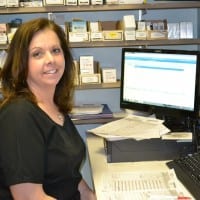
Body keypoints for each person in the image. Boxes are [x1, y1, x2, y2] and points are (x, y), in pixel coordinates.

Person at [0, 18, 97, 200]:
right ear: (21, 63)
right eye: (37, 54)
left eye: (55, 50)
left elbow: (68, 174)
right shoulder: (19, 116)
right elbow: (29, 198)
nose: (50, 60)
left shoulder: (54, 107)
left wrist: (91, 195)